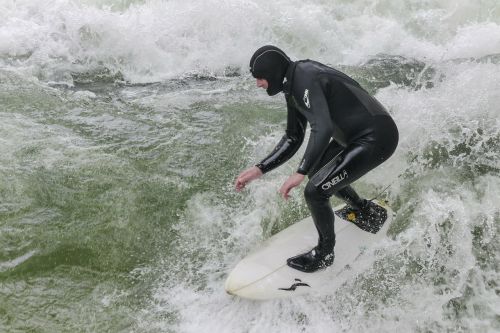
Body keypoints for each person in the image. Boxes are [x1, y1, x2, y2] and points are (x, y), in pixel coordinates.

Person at [235, 45, 399, 273]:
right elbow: (293, 137)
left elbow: (322, 128)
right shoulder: (294, 84)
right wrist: (260, 169)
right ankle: (364, 210)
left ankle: (324, 255)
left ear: (272, 73)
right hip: (354, 138)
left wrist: (299, 172)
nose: (258, 84)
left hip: (376, 138)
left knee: (315, 191)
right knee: (319, 174)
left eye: (260, 78)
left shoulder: (305, 79)